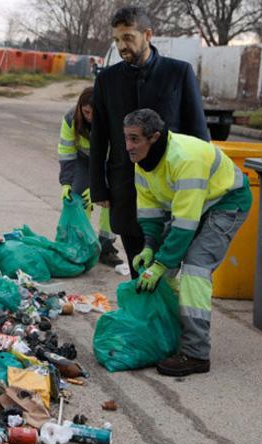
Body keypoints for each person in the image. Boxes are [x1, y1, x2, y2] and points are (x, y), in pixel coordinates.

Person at [125, 109, 251, 377]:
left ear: (154, 137)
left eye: (135, 139)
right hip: (196, 207)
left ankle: (196, 353)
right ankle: (163, 338)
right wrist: (149, 247)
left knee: (195, 267)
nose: (129, 147)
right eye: (127, 138)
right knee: (161, 269)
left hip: (227, 202)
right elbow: (150, 210)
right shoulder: (143, 162)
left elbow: (183, 225)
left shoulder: (185, 158)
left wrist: (161, 262)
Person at [89, 5, 209, 279]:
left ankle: (165, 318)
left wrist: (203, 189)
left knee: (168, 268)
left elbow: (200, 137)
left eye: (129, 37)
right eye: (117, 39)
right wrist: (99, 187)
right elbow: (99, 137)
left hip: (172, 189)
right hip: (126, 189)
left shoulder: (178, 73)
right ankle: (144, 319)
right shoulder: (107, 80)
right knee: (137, 268)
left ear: (148, 34)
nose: (122, 45)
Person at [57, 87, 123, 266]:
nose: (90, 117)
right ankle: (80, 244)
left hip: (109, 163)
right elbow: (66, 151)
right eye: (86, 112)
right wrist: (66, 183)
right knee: (78, 198)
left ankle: (106, 246)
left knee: (111, 200)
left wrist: (100, 187)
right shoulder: (71, 118)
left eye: (94, 113)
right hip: (83, 160)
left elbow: (118, 160)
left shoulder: (114, 121)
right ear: (80, 108)